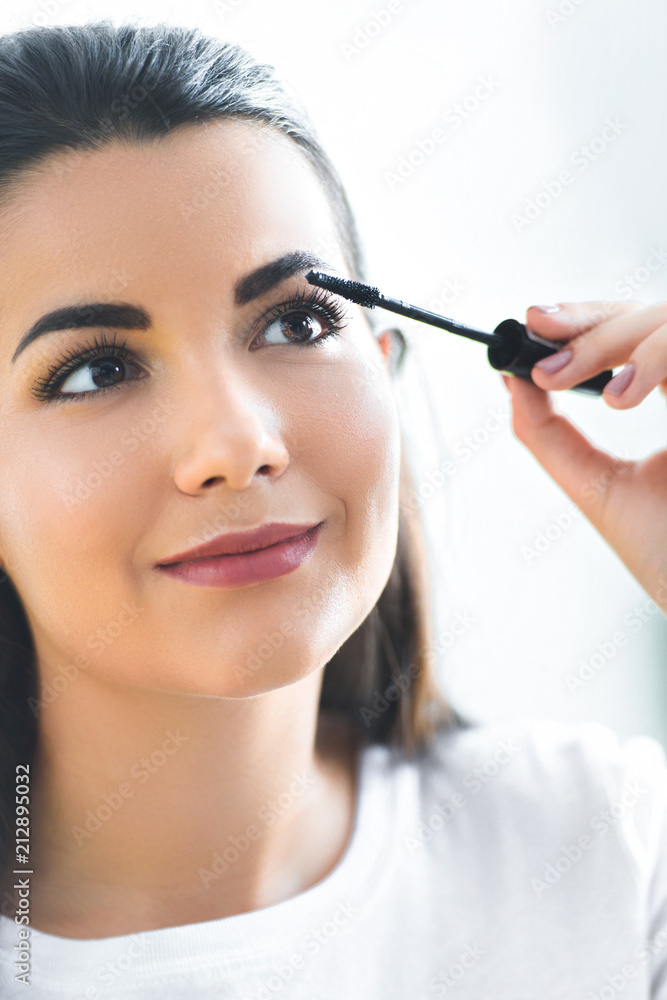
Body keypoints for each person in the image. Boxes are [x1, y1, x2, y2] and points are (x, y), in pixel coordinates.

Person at [0, 18, 665, 1000]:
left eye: (295, 321)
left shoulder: (606, 845)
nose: (237, 444)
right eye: (96, 370)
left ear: (387, 374)